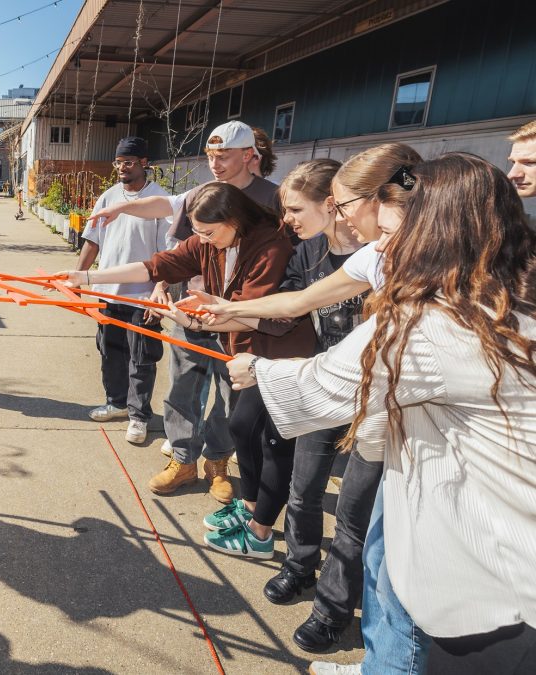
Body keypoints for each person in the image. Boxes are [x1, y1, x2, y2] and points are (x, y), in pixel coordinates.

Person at [227, 153, 536, 674]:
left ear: (432, 231)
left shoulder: (433, 322)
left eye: (394, 232)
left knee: (416, 603)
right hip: (470, 494)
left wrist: (256, 369)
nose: (383, 246)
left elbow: (325, 387)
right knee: (384, 566)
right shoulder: (509, 293)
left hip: (485, 536)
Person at [194, 143, 432, 674]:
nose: (287, 220)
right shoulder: (346, 252)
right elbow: (293, 304)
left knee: (356, 516)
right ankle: (302, 566)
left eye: (300, 210)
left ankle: (333, 608)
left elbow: (360, 361)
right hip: (328, 386)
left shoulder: (408, 260)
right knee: (303, 489)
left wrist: (257, 361)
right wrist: (227, 310)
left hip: (367, 398)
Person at [69, 182, 316, 560]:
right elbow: (157, 265)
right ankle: (250, 511)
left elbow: (254, 314)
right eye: (196, 232)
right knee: (242, 428)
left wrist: (198, 322)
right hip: (246, 352)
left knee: (268, 442)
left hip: (276, 358)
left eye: (208, 233)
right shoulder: (209, 241)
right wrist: (86, 278)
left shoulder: (270, 246)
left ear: (234, 219)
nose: (201, 240)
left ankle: (260, 528)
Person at [85, 120, 281, 503]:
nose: (215, 163)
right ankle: (183, 459)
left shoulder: (273, 200)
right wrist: (119, 208)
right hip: (193, 310)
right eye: (210, 156)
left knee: (230, 396)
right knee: (182, 388)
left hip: (244, 319)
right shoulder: (204, 193)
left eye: (222, 155)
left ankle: (218, 463)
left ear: (249, 155)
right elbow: (165, 216)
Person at [73, 136, 168, 443]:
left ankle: (139, 416)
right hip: (109, 292)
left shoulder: (159, 201)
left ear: (144, 163)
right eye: (118, 163)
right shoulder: (108, 198)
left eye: (128, 162)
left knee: (141, 356)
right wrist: (78, 276)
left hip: (143, 295)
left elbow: (169, 254)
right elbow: (92, 241)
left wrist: (160, 292)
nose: (122, 169)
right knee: (110, 351)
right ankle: (116, 402)